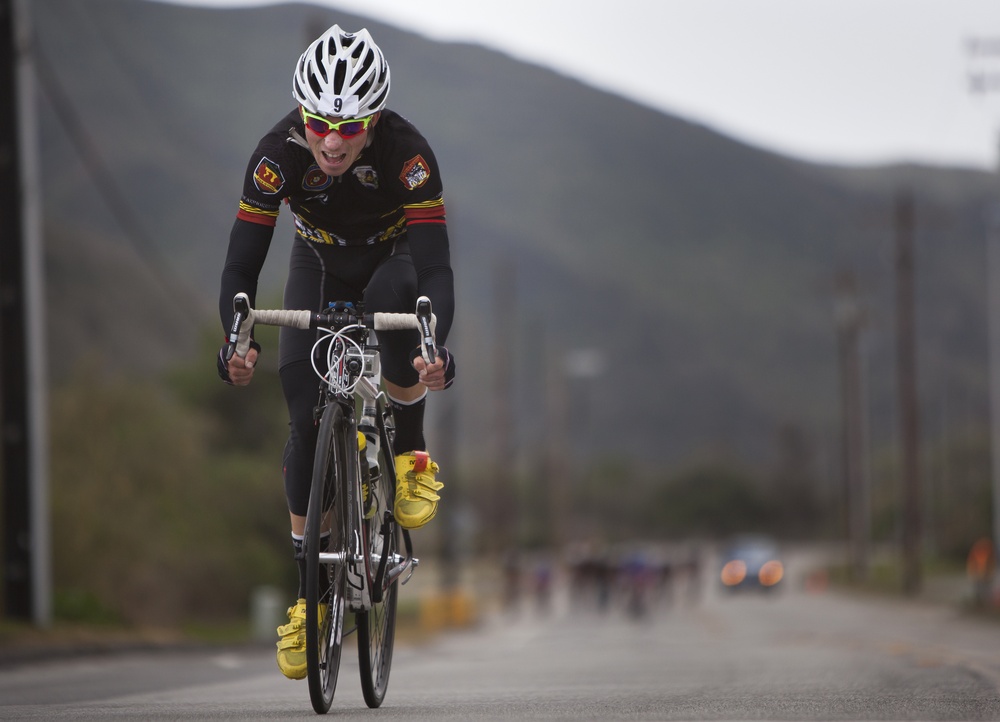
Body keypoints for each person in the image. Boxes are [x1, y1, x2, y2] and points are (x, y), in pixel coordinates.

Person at [216, 24, 456, 680]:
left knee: (403, 299)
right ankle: (310, 601)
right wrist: (236, 342)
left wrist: (438, 350)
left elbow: (435, 271)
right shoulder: (278, 153)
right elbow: (242, 264)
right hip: (316, 265)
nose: (330, 140)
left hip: (394, 261)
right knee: (304, 418)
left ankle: (409, 450)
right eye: (320, 121)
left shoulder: (410, 154)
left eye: (349, 128)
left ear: (373, 121)